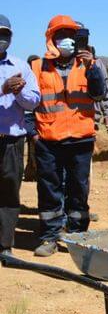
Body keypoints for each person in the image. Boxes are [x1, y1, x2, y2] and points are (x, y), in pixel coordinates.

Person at [30, 15, 107, 257]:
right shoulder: (37, 67)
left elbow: (99, 95)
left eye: (71, 36)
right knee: (49, 190)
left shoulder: (89, 65)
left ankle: (77, 236)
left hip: (81, 139)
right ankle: (49, 237)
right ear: (51, 38)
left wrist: (92, 67)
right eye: (60, 35)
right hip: (48, 139)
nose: (66, 41)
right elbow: (27, 104)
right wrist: (33, 134)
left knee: (78, 190)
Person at [0, 15, 41, 255]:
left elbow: (33, 102)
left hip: (12, 142)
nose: (1, 39)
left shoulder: (21, 67)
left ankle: (5, 245)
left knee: (9, 192)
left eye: (4, 35)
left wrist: (19, 93)